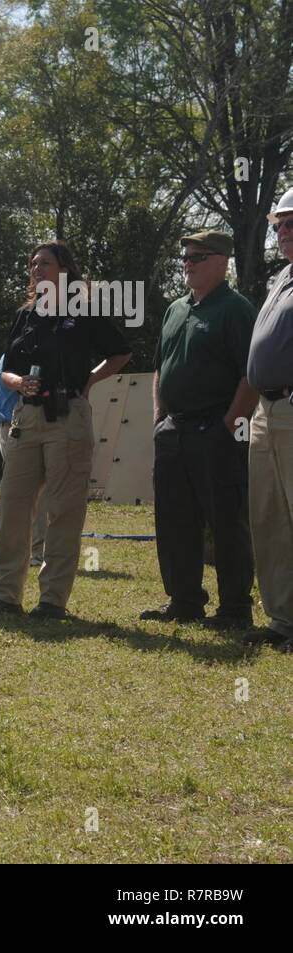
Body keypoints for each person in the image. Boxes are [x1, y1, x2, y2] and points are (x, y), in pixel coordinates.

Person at [0, 241, 131, 619]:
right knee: (12, 507)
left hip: (67, 416)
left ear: (65, 269)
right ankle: (5, 596)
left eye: (44, 262)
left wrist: (89, 381)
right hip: (26, 418)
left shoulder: (84, 310)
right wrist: (17, 384)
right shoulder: (26, 314)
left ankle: (51, 601)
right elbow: (7, 367)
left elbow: (120, 353)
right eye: (32, 263)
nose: (36, 268)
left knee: (63, 510)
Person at [141, 231, 257, 629]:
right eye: (185, 256)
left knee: (225, 520)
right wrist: (160, 416)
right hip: (174, 429)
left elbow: (251, 375)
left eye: (197, 257)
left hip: (216, 428)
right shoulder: (176, 309)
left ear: (222, 261)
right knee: (174, 520)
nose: (187, 263)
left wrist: (228, 428)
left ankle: (235, 609)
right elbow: (160, 366)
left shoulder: (236, 309)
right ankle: (185, 601)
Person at [245, 187, 293, 652]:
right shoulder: (280, 277)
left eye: (290, 223)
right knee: (269, 516)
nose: (281, 232)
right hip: (266, 410)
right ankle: (283, 619)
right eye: (278, 224)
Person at [0, 354, 47, 567]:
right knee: (20, 495)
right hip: (16, 429)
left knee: (33, 494)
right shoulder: (17, 360)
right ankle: (23, 551)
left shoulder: (10, 357)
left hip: (16, 428)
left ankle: (33, 551)